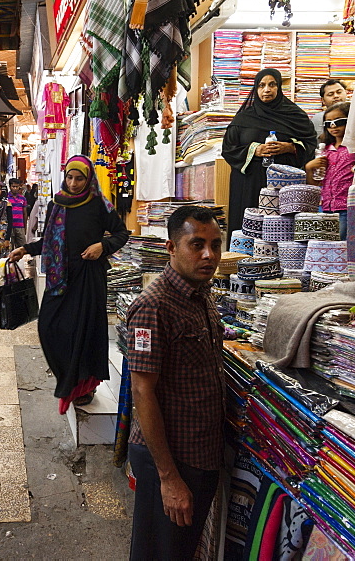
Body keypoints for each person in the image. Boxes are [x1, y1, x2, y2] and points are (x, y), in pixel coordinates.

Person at [125, 206, 225, 560]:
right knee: (160, 552)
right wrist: (168, 478)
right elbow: (142, 391)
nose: (209, 255)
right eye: (196, 244)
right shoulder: (154, 307)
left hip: (198, 452)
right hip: (171, 457)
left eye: (216, 244)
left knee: (179, 550)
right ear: (171, 247)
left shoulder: (200, 295)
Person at [8, 155, 130, 412]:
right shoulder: (57, 203)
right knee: (49, 326)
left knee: (84, 332)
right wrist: (26, 249)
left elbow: (122, 233)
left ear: (88, 180)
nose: (74, 183)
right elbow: (49, 240)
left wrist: (102, 246)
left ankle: (84, 385)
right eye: (70, 177)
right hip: (59, 276)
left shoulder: (99, 204)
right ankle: (68, 379)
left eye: (80, 178)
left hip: (88, 276)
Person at [222, 68, 318, 234]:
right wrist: (254, 150)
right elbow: (228, 149)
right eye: (261, 85)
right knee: (249, 229)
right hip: (249, 184)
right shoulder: (243, 118)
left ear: (279, 87)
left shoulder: (296, 116)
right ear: (256, 89)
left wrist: (290, 147)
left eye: (272, 84)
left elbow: (310, 144)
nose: (267, 89)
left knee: (282, 232)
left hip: (285, 185)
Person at [305, 102, 355, 239]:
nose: (333, 126)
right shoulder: (325, 151)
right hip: (326, 207)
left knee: (341, 245)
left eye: (338, 121)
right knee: (328, 246)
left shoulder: (354, 148)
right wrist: (309, 168)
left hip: (347, 206)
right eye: (328, 123)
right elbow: (316, 184)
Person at [7, 177, 28, 248]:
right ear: (10, 187)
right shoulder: (6, 198)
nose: (15, 188)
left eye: (17, 187)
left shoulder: (23, 199)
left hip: (20, 226)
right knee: (10, 248)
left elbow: (25, 213)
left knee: (22, 247)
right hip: (10, 227)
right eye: (13, 186)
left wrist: (25, 226)